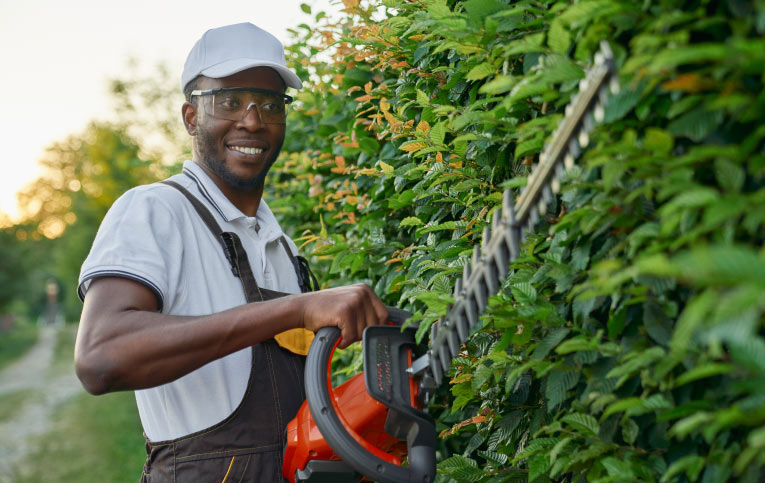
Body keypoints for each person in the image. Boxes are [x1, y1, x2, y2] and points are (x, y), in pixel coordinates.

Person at [74, 22, 388, 483]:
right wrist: (293, 310)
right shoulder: (156, 211)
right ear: (190, 117)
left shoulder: (284, 248)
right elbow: (100, 357)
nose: (253, 120)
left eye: (270, 103)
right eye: (230, 101)